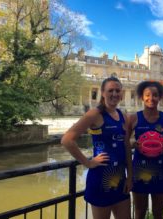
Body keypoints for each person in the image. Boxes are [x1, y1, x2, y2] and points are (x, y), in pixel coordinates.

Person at [61, 77, 132, 219]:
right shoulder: (95, 114)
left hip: (120, 181)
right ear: (103, 93)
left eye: (117, 91)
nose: (114, 94)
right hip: (100, 179)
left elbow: (126, 146)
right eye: (110, 90)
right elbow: (67, 140)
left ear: (121, 94)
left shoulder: (123, 116)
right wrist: (88, 162)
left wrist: (130, 176)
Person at [128, 81, 163, 219]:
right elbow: (125, 143)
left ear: (159, 97)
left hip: (160, 171)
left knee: (158, 213)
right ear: (142, 97)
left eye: (155, 95)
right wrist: (133, 143)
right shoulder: (133, 118)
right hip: (139, 171)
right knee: (139, 212)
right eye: (147, 95)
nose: (151, 98)